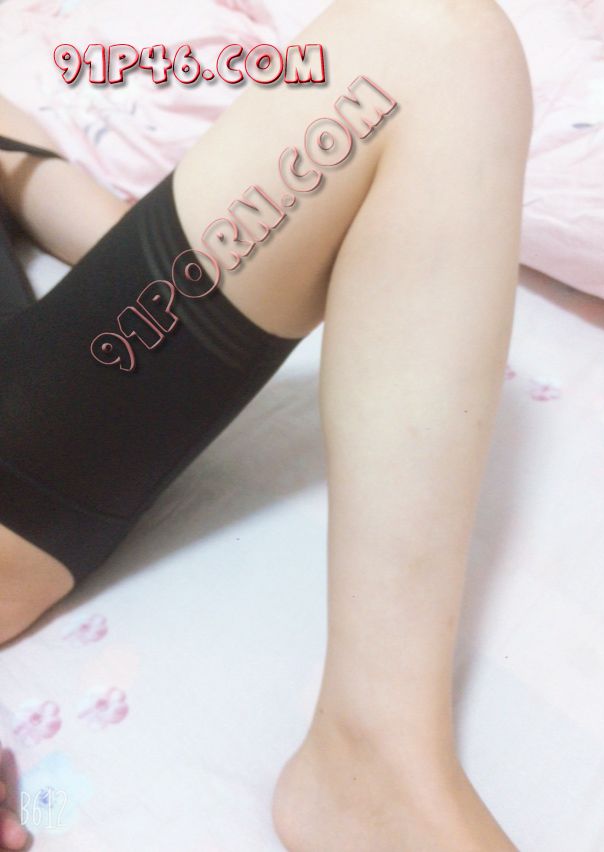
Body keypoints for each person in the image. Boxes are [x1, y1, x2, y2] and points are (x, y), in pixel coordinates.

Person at [0, 0, 533, 848]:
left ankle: (377, 756)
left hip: (39, 397)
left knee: (441, 50)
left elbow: (88, 225)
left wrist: (250, 254)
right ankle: (374, 760)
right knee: (432, 43)